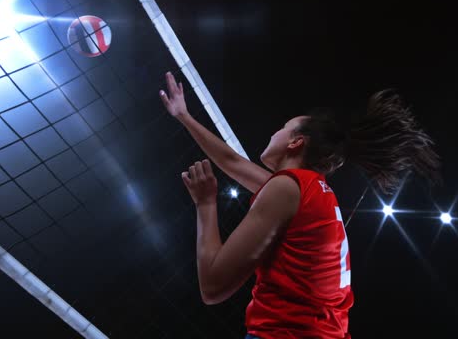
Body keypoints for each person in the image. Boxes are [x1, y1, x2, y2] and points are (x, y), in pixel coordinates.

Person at [160, 72, 440, 338]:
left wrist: (206, 202)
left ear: (295, 142)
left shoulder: (287, 190)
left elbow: (212, 286)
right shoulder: (308, 191)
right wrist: (184, 116)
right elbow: (232, 163)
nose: (274, 133)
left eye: (283, 128)